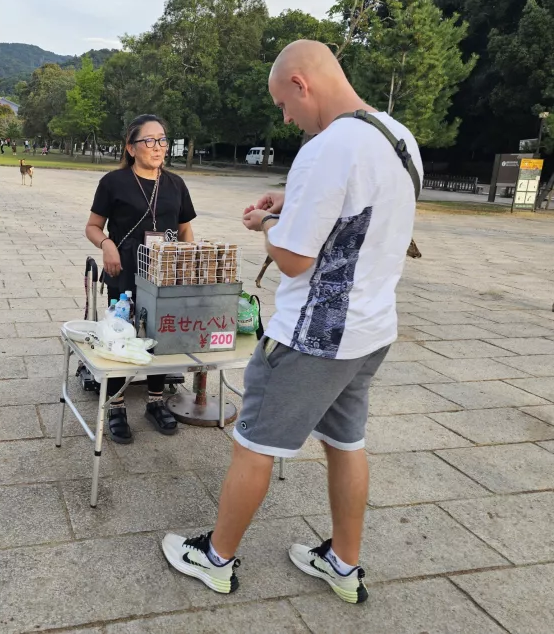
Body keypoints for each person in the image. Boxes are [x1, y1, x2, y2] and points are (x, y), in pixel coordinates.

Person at [162, 40, 422, 603]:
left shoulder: (328, 147)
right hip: (372, 329)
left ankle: (215, 558)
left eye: (284, 103)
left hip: (315, 337)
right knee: (345, 442)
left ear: (302, 84)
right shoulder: (398, 136)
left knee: (253, 444)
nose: (286, 117)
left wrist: (265, 224)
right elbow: (359, 214)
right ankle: (343, 564)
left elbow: (297, 258)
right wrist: (289, 201)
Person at [85, 114, 197, 444]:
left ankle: (155, 400)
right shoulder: (113, 182)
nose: (158, 147)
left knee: (161, 335)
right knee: (122, 334)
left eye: (162, 140)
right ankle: (116, 405)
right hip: (125, 268)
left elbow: (185, 228)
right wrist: (106, 245)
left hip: (163, 271)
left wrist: (187, 264)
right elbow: (93, 226)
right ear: (131, 148)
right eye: (149, 141)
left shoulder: (176, 184)